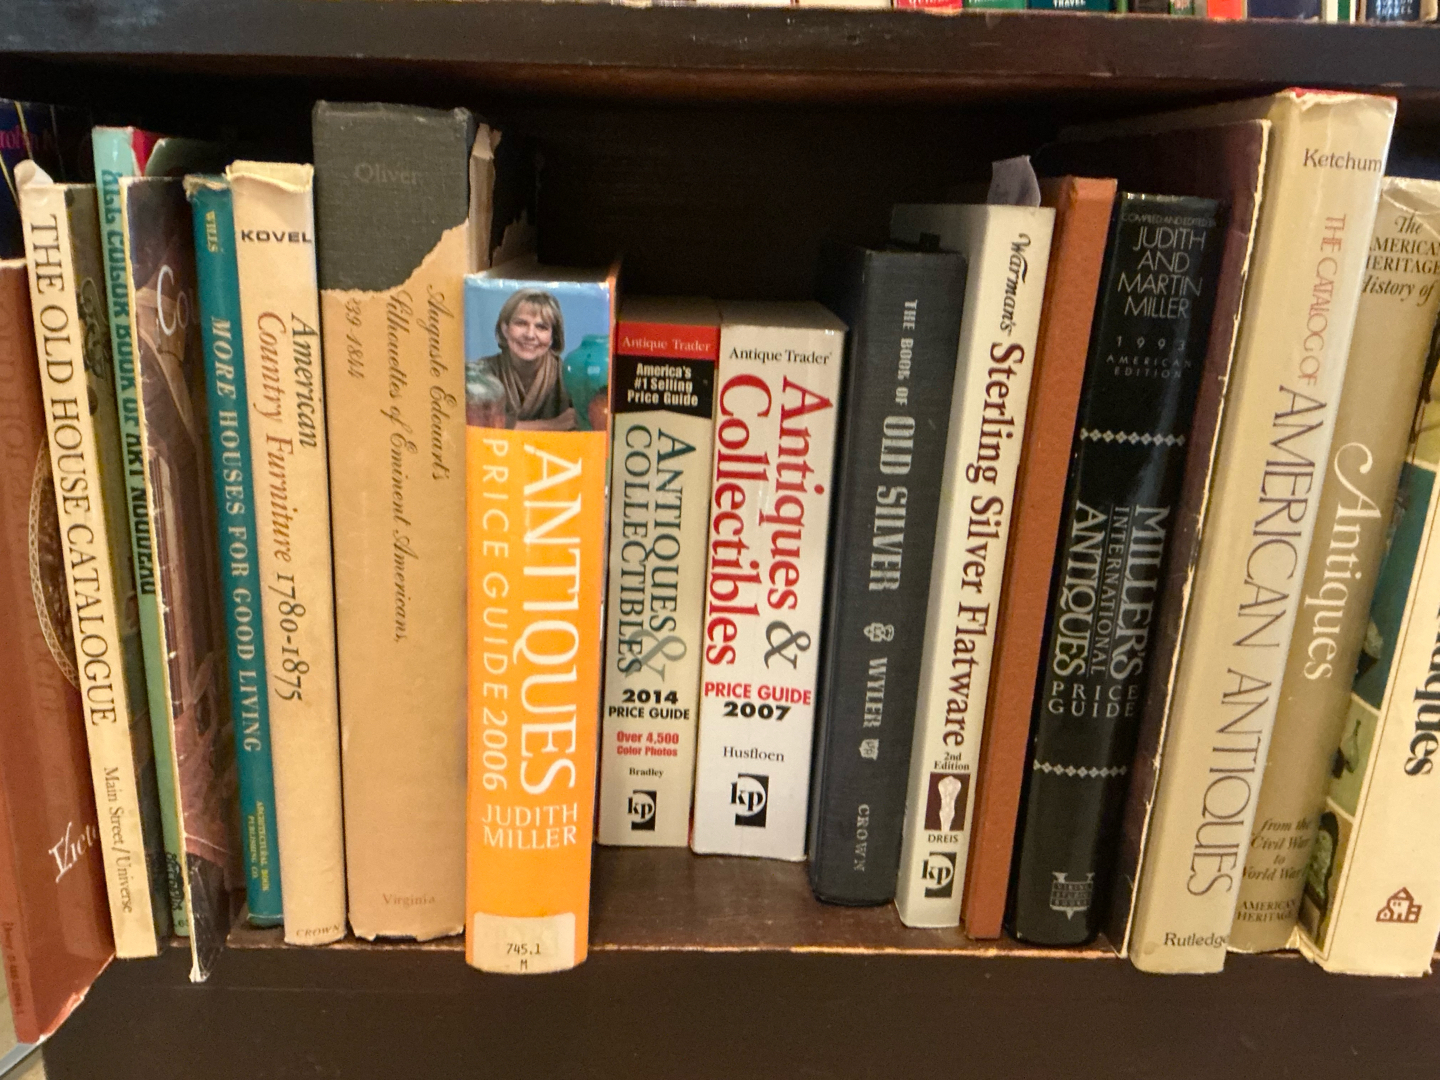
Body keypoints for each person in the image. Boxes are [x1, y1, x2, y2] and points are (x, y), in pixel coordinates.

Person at [471, 288, 578, 431]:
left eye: (541, 327)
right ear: (505, 329)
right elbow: (477, 423)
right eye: (521, 323)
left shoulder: (571, 376)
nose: (530, 335)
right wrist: (552, 425)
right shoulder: (480, 373)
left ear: (553, 336)